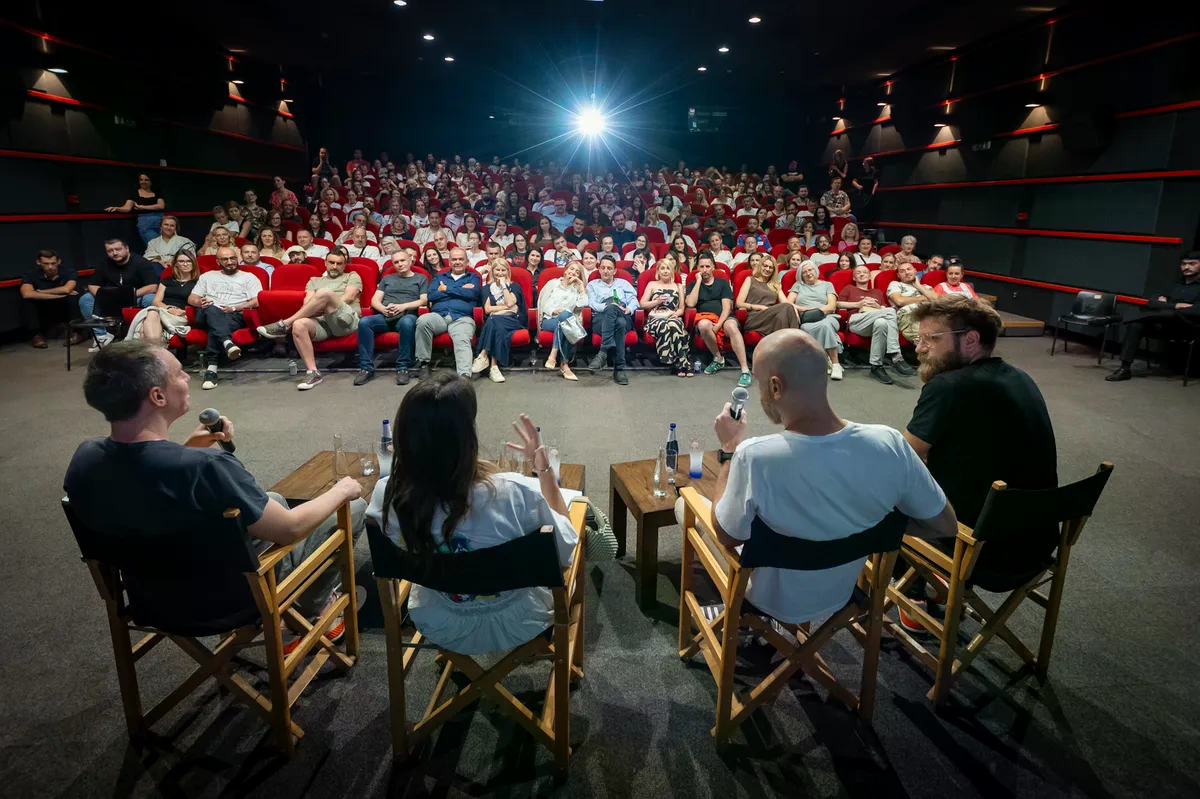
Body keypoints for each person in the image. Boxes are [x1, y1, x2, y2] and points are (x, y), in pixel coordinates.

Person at [66, 339, 366, 648]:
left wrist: (187, 450)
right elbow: (289, 529)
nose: (187, 379)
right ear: (157, 396)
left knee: (272, 499)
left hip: (150, 599)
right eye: (181, 373)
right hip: (232, 602)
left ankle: (297, 610)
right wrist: (342, 489)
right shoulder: (207, 467)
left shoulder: (85, 458)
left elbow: (142, 482)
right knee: (353, 507)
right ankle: (310, 609)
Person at [686, 328, 956, 628]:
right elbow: (945, 524)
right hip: (840, 594)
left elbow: (727, 535)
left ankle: (747, 621)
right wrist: (872, 525)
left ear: (776, 387)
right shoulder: (889, 442)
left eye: (762, 384)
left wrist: (728, 451)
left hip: (769, 599)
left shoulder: (755, 456)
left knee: (687, 506)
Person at [365, 379, 576, 655]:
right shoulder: (515, 493)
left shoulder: (388, 495)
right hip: (519, 621)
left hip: (439, 619)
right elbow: (565, 550)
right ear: (467, 438)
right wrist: (544, 469)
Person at [904, 295, 1057, 598]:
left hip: (978, 548)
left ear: (970, 340)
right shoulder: (1021, 378)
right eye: (918, 339)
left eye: (930, 339)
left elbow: (901, 457)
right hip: (1036, 541)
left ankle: (916, 603)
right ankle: (941, 594)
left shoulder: (948, 386)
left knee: (873, 506)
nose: (919, 348)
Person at [256, 250, 362, 390]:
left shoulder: (352, 276)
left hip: (345, 321)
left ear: (344, 265)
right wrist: (321, 305)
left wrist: (326, 303)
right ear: (325, 263)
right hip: (323, 323)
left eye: (339, 263)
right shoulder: (314, 281)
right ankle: (313, 372)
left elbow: (349, 297)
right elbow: (307, 303)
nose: (335, 266)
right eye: (331, 263)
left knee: (325, 293)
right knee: (299, 324)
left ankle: (284, 324)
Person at [1107, 251, 1200, 382]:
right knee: (1135, 325)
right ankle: (1125, 368)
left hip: (1188, 328)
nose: (1187, 267)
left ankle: (1121, 318)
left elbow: (1196, 311)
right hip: (1164, 324)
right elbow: (1152, 301)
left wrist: (1167, 304)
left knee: (1170, 314)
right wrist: (1176, 305)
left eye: (1192, 264)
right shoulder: (1174, 284)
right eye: (1184, 264)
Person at [189, 246, 262, 390]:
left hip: (233, 315)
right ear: (218, 262)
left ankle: (211, 370)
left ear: (237, 259)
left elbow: (258, 300)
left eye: (232, 258)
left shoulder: (249, 277)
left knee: (215, 326)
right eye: (225, 259)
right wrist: (200, 302)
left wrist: (235, 308)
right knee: (212, 309)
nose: (229, 262)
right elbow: (192, 298)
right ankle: (227, 342)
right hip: (206, 312)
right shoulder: (207, 276)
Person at [354, 249, 428, 386]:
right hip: (385, 315)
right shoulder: (387, 279)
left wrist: (403, 306)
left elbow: (424, 300)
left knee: (407, 322)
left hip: (406, 314)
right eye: (396, 262)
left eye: (402, 260)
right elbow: (374, 300)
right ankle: (366, 368)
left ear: (410, 260)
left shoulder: (420, 278)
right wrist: (383, 309)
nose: (400, 264)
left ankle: (403, 368)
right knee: (364, 322)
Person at [838, 264, 915, 385]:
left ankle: (876, 366)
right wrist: (858, 304)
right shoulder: (849, 288)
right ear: (854, 277)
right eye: (858, 273)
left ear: (869, 276)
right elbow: (838, 304)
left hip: (875, 318)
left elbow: (884, 308)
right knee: (890, 311)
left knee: (881, 322)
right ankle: (896, 355)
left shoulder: (877, 292)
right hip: (857, 320)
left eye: (864, 272)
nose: (862, 274)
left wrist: (879, 307)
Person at [79, 238, 161, 350]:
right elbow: (92, 285)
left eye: (118, 249)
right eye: (110, 251)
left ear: (127, 249)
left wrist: (127, 295)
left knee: (150, 298)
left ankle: (143, 335)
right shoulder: (104, 263)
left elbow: (153, 286)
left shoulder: (141, 262)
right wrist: (106, 296)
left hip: (135, 297)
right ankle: (102, 336)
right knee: (86, 299)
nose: (114, 253)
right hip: (111, 299)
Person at [413, 247, 482, 379]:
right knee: (423, 321)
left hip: (462, 317)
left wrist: (445, 289)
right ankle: (423, 364)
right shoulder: (439, 276)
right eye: (454, 259)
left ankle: (464, 375)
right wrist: (460, 290)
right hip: (439, 316)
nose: (457, 262)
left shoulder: (473, 277)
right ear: (449, 262)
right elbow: (432, 296)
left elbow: (472, 293)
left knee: (462, 337)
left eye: (461, 259)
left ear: (467, 262)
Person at [687, 254, 752, 387]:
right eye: (701, 267)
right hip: (705, 317)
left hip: (724, 316)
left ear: (713, 268)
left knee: (732, 327)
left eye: (707, 266)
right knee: (703, 325)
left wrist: (719, 325)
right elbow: (690, 303)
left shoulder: (722, 282)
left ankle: (745, 370)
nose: (704, 270)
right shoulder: (693, 284)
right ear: (697, 268)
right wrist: (698, 282)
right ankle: (718, 358)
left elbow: (727, 307)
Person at [470, 262, 527, 383]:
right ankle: (494, 367)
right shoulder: (486, 288)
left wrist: (504, 286)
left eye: (503, 270)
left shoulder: (514, 286)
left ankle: (483, 355)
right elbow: (487, 309)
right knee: (495, 323)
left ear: (508, 272)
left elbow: (511, 303)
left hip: (513, 319)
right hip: (496, 320)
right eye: (497, 270)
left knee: (493, 320)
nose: (500, 273)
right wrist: (506, 307)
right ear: (492, 272)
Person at [127, 249, 198, 345]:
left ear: (193, 263)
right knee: (152, 312)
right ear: (176, 264)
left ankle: (154, 352)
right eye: (181, 261)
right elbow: (156, 302)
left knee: (145, 327)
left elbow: (198, 304)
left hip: (182, 314)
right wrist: (169, 308)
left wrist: (182, 311)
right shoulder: (166, 281)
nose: (185, 264)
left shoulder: (199, 283)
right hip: (164, 310)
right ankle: (157, 349)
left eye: (188, 261)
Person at [788, 261, 844, 380]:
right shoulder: (798, 285)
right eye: (804, 272)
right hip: (807, 319)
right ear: (801, 275)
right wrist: (806, 310)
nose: (808, 273)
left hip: (827, 316)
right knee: (810, 328)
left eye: (810, 270)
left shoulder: (827, 285)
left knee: (825, 325)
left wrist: (818, 312)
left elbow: (831, 306)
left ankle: (835, 364)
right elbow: (788, 304)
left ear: (816, 271)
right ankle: (826, 360)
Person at [585, 257, 637, 385]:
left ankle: (603, 352)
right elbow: (591, 303)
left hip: (623, 313)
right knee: (619, 323)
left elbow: (634, 300)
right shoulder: (592, 285)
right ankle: (619, 369)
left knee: (620, 317)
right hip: (601, 318)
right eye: (603, 268)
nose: (606, 271)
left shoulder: (624, 283)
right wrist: (609, 307)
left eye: (609, 268)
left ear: (614, 271)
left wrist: (628, 309)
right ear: (599, 269)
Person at [21, 249, 84, 348]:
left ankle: (78, 332)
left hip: (64, 307)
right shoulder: (31, 274)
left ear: (58, 262)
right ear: (39, 262)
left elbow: (67, 289)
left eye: (53, 263)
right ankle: (36, 336)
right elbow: (27, 294)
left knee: (74, 297)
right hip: (44, 307)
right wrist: (59, 294)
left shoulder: (69, 272)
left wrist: (39, 292)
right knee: (28, 302)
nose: (50, 267)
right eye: (46, 264)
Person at [640, 256, 691, 377]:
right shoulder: (652, 284)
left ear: (672, 271)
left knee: (673, 324)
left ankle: (680, 364)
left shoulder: (678, 286)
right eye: (662, 268)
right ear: (658, 271)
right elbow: (642, 304)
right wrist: (656, 302)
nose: (665, 271)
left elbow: (682, 308)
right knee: (664, 325)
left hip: (672, 316)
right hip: (655, 319)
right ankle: (679, 363)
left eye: (668, 268)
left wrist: (676, 314)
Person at [538, 260, 586, 381]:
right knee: (565, 320)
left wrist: (581, 286)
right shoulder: (553, 284)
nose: (573, 273)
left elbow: (584, 304)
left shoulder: (576, 289)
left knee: (565, 321)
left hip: (566, 322)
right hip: (549, 319)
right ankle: (564, 364)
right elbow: (542, 304)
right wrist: (554, 311)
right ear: (565, 270)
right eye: (571, 269)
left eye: (577, 272)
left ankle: (554, 356)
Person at [738, 258, 800, 342]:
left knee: (782, 316)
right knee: (785, 308)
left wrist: (794, 310)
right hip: (755, 317)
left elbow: (786, 303)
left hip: (772, 317)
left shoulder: (775, 284)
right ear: (760, 266)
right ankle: (796, 340)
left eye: (771, 267)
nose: (767, 269)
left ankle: (783, 345)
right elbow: (739, 303)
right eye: (765, 266)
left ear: (774, 270)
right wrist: (760, 307)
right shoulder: (750, 279)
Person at [104, 173, 165, 244]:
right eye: (141, 180)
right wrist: (117, 208)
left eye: (146, 180)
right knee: (156, 245)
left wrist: (142, 207)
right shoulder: (135, 194)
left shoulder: (157, 193)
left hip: (161, 222)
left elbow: (161, 206)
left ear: (151, 181)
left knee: (167, 245)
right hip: (146, 223)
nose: (143, 182)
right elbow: (127, 208)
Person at [888, 262, 938, 342]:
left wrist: (918, 286)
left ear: (915, 271)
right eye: (902, 271)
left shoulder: (926, 287)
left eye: (909, 269)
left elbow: (936, 300)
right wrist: (923, 298)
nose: (907, 272)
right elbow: (899, 301)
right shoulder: (895, 284)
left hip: (930, 314)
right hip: (909, 314)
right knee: (926, 341)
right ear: (898, 275)